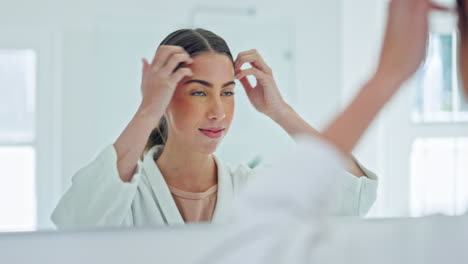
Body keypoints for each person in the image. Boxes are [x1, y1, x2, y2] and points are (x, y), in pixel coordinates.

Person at [51, 29, 377, 228]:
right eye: (199, 92)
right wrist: (148, 108)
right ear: (165, 96)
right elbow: (77, 223)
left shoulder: (253, 190)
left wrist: (280, 111)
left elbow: (352, 194)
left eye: (227, 92)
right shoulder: (127, 196)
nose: (218, 112)